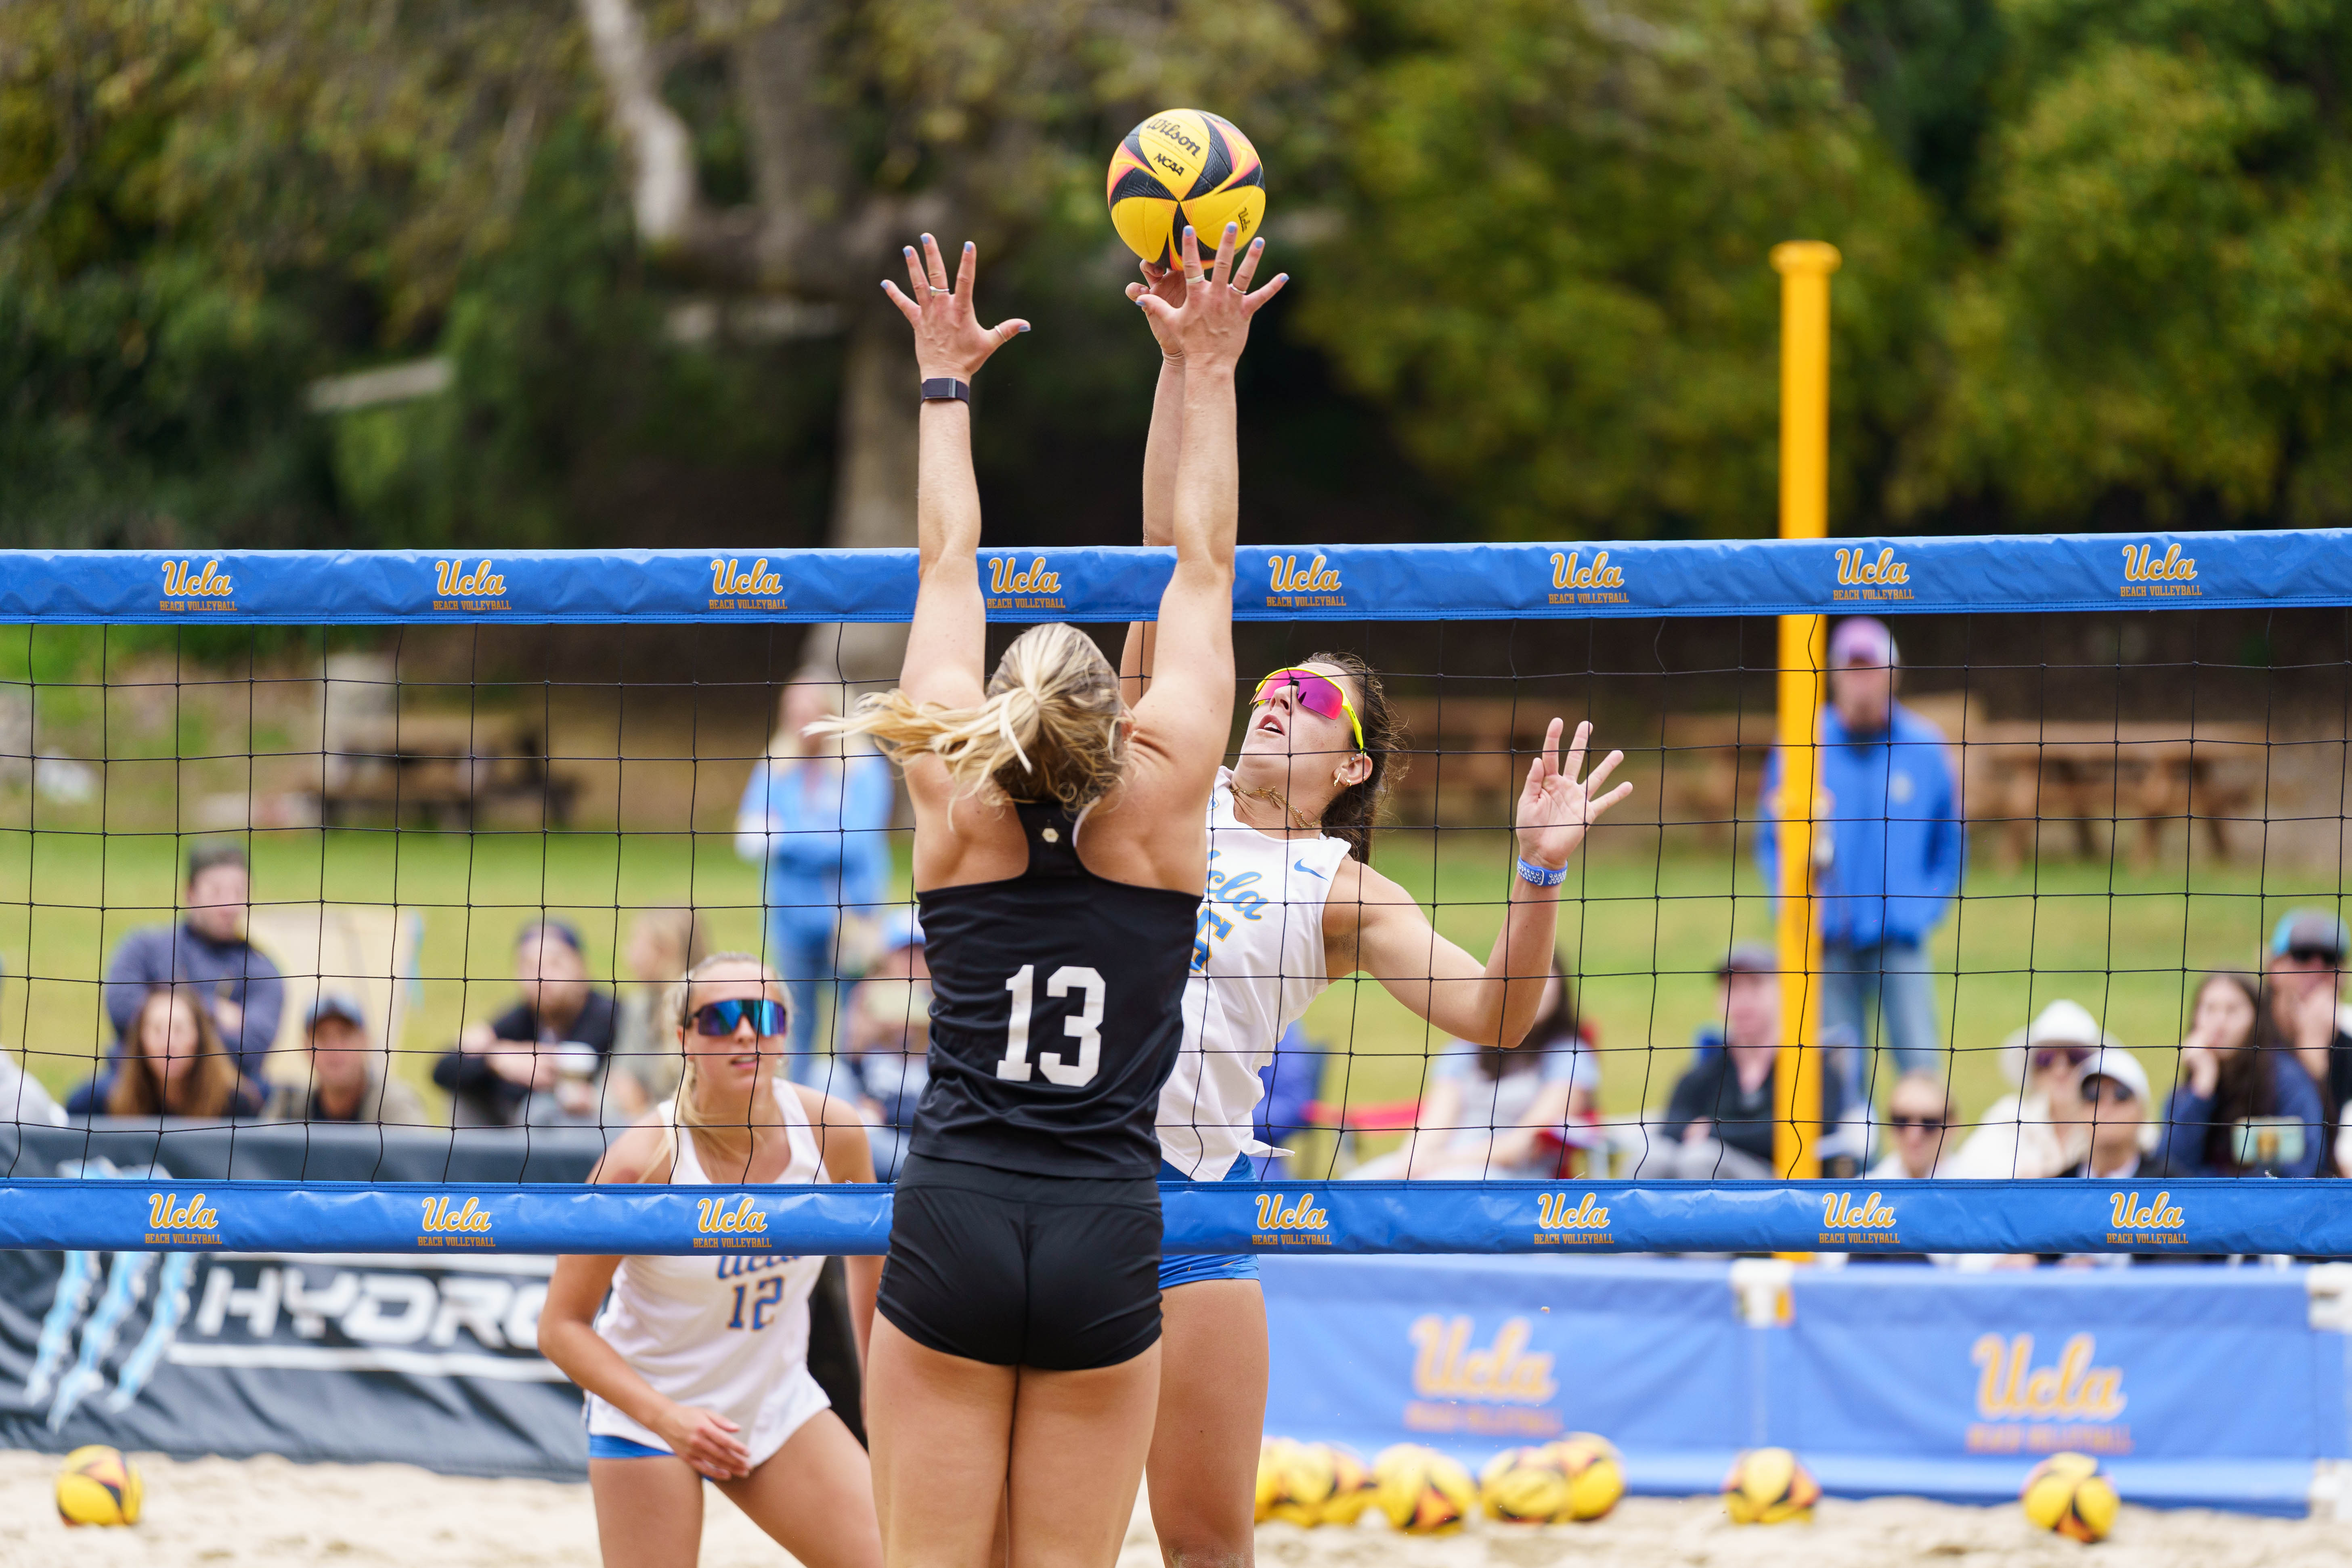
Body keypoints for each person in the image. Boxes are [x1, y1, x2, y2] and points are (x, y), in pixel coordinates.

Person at [1113, 255, 1630, 1568]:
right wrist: (1184, 369)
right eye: (1275, 679)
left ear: (1352, 768)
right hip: (1069, 1182)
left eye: (1316, 702)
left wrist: (1538, 872)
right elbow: (1169, 556)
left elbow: (1501, 1014)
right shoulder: (1166, 783)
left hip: (1198, 1201)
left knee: (1205, 1543)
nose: (1278, 693)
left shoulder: (1337, 889)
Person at [814, 224, 1275, 1568]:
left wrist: (943, 381)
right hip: (1100, 1224)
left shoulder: (951, 803)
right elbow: (1202, 558)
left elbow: (946, 559)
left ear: (1001, 714)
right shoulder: (1167, 792)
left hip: (956, 1206)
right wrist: (1209, 366)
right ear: (1112, 726)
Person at [538, 952, 882, 1568]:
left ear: (785, 1031)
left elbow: (868, 1260)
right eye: (720, 1018)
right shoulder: (643, 1160)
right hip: (649, 1414)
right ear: (684, 1040)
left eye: (763, 1015)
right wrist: (668, 1420)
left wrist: (878, 1400)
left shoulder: (832, 1130)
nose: (745, 1032)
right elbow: (559, 1328)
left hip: (773, 1402)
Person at [1756, 617, 1962, 1110]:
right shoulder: (1801, 742)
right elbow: (1771, 839)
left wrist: (1923, 909)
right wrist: (1793, 907)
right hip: (1826, 940)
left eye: (1871, 669)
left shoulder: (1925, 746)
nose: (1861, 680)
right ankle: (1850, 1172)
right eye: (1852, 669)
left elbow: (1951, 842)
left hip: (1901, 941)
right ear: (1833, 675)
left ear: (1894, 673)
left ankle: (1926, 1171)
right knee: (1836, 1074)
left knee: (1921, 1063)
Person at [736, 671, 896, 1088]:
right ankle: (798, 1105)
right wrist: (815, 839)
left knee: (855, 1023)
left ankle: (856, 1104)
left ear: (831, 711)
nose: (798, 719)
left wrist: (785, 838)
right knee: (794, 1023)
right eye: (792, 710)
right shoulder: (776, 763)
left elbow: (855, 842)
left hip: (852, 922)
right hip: (791, 918)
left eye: (808, 709)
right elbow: (749, 834)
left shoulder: (863, 767)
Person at [1346, 968, 1599, 1179]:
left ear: (1561, 988)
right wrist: (1411, 1162)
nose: (1533, 990)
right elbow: (1435, 1123)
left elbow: (1524, 1144)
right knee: (1358, 1185)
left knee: (1442, 1190)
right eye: (1523, 978)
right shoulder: (1465, 1049)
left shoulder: (1570, 1055)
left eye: (1543, 978)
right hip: (1446, 1162)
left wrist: (1446, 1162)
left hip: (1513, 1175)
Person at [1637, 945, 1848, 1179]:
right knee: (1651, 1159)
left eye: (1756, 985)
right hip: (1710, 1169)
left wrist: (1713, 1131)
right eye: (1732, 988)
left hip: (1784, 1185)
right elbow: (1672, 1125)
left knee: (1702, 1160)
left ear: (1782, 992)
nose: (1743, 1000)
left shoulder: (1813, 1068)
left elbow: (1797, 1134)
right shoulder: (1708, 1070)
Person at [103, 842, 283, 1084]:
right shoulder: (144, 946)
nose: (230, 905)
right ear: (191, 893)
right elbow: (123, 1011)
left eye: (240, 892)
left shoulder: (262, 970)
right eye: (216, 891)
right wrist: (214, 1011)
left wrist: (160, 1009)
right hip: (139, 1087)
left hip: (223, 1099)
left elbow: (252, 1046)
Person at [432, 920, 620, 1127]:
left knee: (538, 1108)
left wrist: (503, 1060)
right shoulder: (523, 1015)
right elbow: (443, 1069)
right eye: (530, 966)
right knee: (464, 1095)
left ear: (580, 967)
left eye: (555, 964)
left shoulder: (608, 1014)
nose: (541, 977)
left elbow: (558, 1075)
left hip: (596, 1136)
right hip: (524, 1131)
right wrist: (497, 1059)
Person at [2155, 971, 2324, 1178]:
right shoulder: (2190, 1089)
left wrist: (2213, 1183)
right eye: (2210, 1009)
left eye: (2232, 1010)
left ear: (2256, 1018)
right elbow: (2168, 1167)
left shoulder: (2286, 1080)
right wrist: (2202, 1090)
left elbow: (2302, 1165)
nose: (2220, 1021)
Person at [1947, 1000, 2107, 1179]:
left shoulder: (2113, 1120)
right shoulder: (2009, 1116)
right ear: (2034, 1072)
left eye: (2075, 1058)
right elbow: (1967, 1173)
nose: (2060, 1071)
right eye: (2046, 1059)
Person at [68, 984, 267, 1119]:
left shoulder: (238, 1104)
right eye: (157, 1030)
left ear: (199, 1039)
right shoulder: (100, 1101)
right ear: (140, 1041)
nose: (168, 1043)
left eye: (179, 1030)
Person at [836, 910, 929, 1180]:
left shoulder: (951, 1001)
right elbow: (848, 1063)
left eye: (921, 952)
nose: (913, 961)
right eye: (905, 952)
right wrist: (874, 1026)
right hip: (877, 1126)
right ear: (888, 955)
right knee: (823, 1073)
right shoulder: (866, 997)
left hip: (928, 1129)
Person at [2260, 909, 2352, 1166]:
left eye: (2329, 959)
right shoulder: (2250, 1036)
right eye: (2301, 956)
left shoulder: (2348, 1042)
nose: (2316, 969)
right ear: (2274, 967)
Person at [267, 994, 428, 1125]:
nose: (335, 1048)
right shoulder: (289, 1107)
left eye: (345, 1035)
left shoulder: (394, 1105)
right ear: (306, 1047)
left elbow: (419, 1160)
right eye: (322, 1037)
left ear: (366, 1041)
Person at [608, 908, 710, 1114]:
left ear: (666, 951)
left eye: (637, 943)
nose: (628, 954)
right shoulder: (640, 1006)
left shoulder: (706, 1011)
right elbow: (623, 1079)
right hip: (646, 1121)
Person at [2059, 1048, 2151, 1180]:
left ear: (2142, 1111)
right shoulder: (2058, 1187)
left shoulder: (2172, 1187)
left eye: (2121, 1095)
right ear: (2078, 1110)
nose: (2106, 1106)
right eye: (2093, 1096)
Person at [1867, 1071, 1957, 1180]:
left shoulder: (1976, 1187)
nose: (1914, 1136)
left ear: (1952, 1125)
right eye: (1901, 1121)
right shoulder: (1864, 1190)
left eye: (1929, 1123)